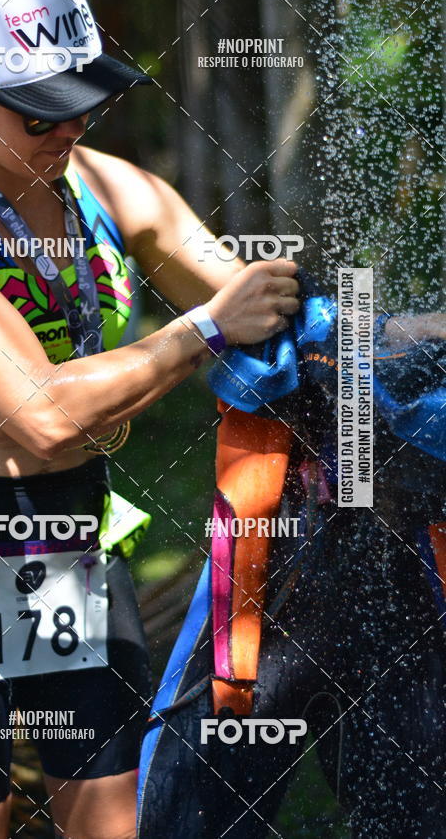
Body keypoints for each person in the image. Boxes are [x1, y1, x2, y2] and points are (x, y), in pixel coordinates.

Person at [0, 0, 299, 839]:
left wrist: (386, 328)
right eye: (40, 110)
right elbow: (42, 412)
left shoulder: (111, 189)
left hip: (74, 548)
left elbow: (261, 300)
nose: (71, 128)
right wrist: (203, 330)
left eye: (84, 100)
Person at [138, 277, 446, 838]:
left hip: (396, 607)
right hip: (267, 613)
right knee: (188, 811)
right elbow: (255, 286)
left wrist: (384, 333)